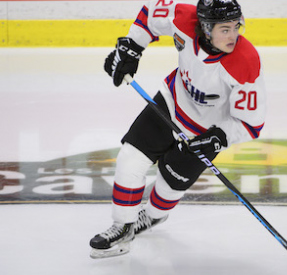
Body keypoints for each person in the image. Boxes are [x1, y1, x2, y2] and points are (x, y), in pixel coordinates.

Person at [89, 0, 266, 258]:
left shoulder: (246, 62)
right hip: (171, 103)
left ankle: (152, 217)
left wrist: (219, 138)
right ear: (205, 28)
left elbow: (251, 122)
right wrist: (133, 47)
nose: (233, 36)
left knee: (170, 185)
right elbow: (149, 14)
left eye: (236, 27)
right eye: (224, 29)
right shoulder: (183, 18)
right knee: (130, 159)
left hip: (205, 130)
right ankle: (122, 225)